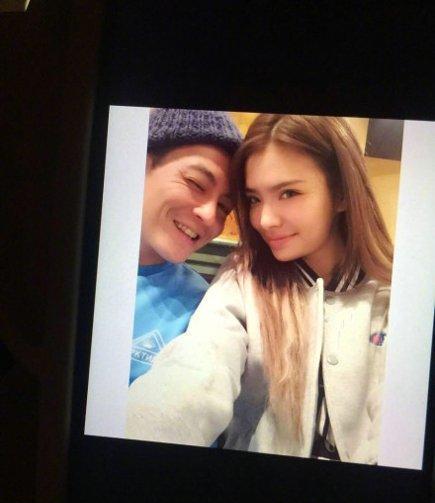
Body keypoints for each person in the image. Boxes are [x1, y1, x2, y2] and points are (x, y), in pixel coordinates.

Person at [126, 114, 392, 465]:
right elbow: (196, 372)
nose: (264, 219)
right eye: (253, 199)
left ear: (341, 193)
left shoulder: (394, 300)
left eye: (288, 193)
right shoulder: (243, 282)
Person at [130, 108, 242, 384]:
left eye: (224, 207)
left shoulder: (203, 309)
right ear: (141, 165)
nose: (210, 215)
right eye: (195, 183)